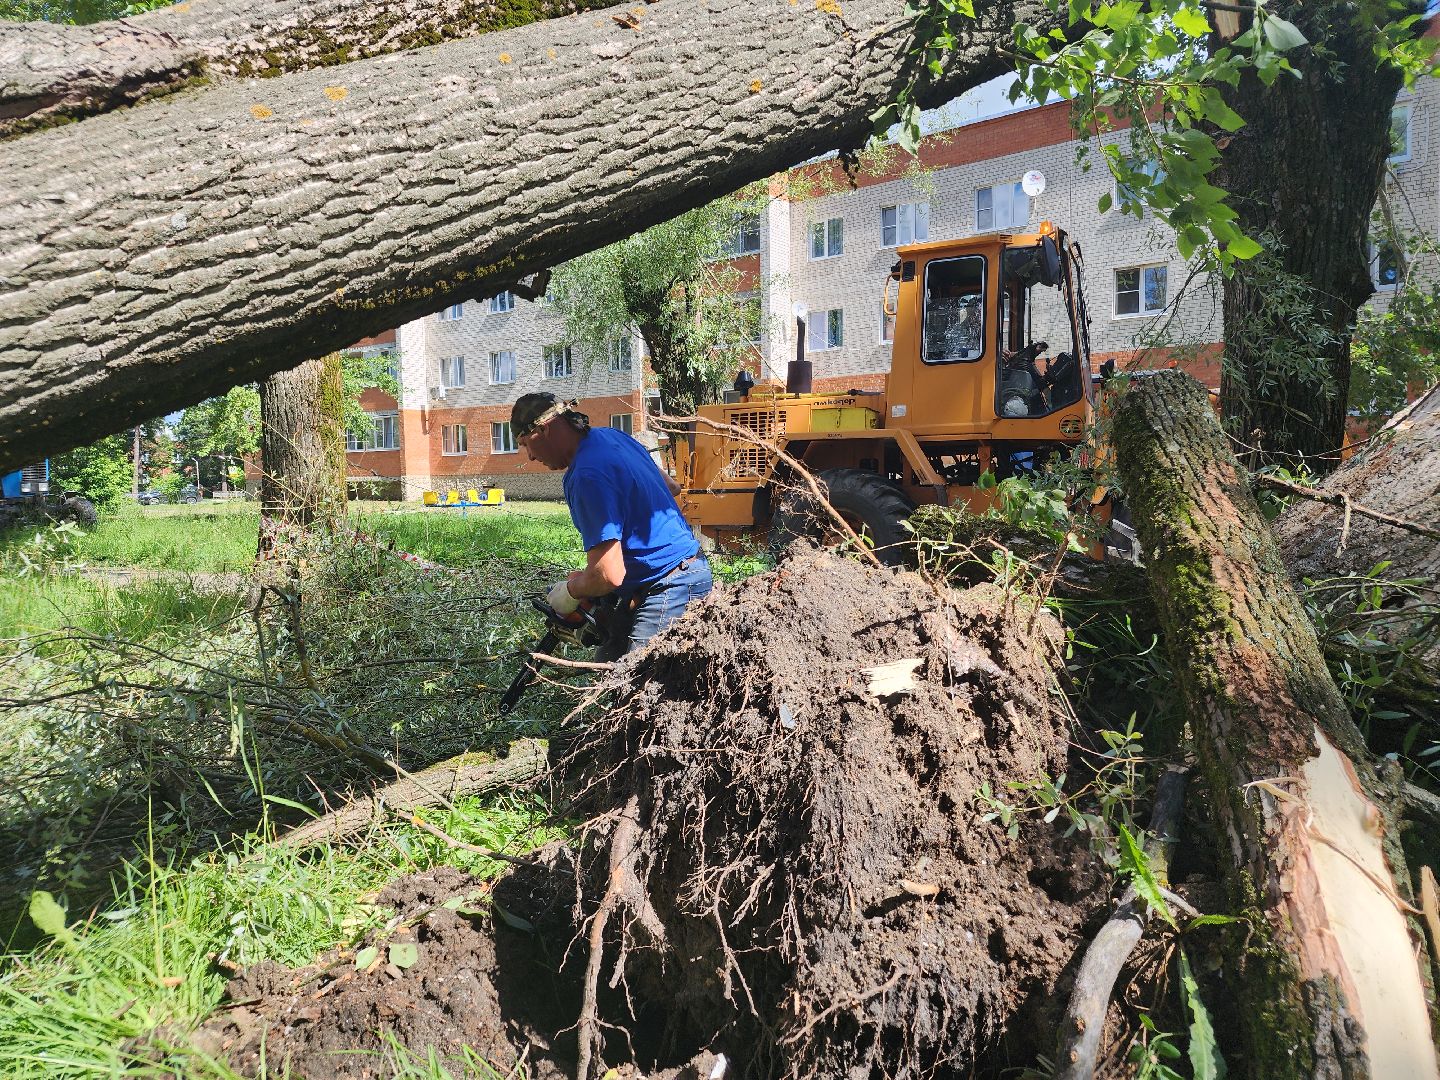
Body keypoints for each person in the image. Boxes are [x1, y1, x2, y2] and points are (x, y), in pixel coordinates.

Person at [511, 392, 712, 660]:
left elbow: (608, 575)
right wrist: (588, 583)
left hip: (670, 585)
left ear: (543, 429)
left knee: (639, 687)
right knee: (608, 662)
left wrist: (570, 592)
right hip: (686, 570)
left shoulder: (586, 475)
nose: (531, 457)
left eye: (526, 444)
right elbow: (671, 487)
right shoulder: (612, 436)